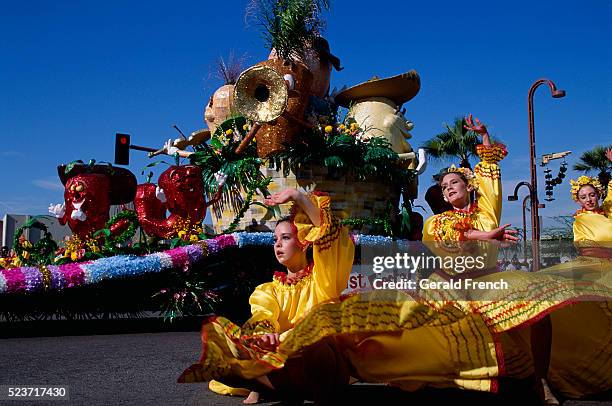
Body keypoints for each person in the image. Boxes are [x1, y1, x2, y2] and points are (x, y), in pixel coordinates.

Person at [179, 188, 355, 404]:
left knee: (313, 342)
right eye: (275, 239)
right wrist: (264, 335)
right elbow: (263, 314)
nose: (277, 244)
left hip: (322, 369)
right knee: (223, 344)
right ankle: (269, 384)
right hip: (286, 369)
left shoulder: (323, 279)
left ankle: (270, 386)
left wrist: (299, 197)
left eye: (286, 237)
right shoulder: (268, 290)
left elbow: (329, 232)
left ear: (304, 242)